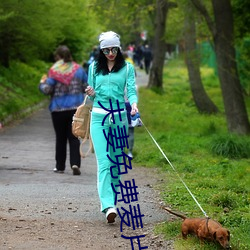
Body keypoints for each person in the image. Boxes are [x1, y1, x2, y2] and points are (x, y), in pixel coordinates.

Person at [85, 31, 138, 223]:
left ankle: (112, 202)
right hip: (99, 118)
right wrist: (90, 92)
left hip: (119, 118)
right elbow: (91, 97)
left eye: (114, 49)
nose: (110, 53)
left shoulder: (127, 68)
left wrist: (133, 104)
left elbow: (131, 90)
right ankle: (108, 205)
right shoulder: (93, 68)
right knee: (104, 162)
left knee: (116, 163)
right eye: (106, 50)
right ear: (101, 50)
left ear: (119, 48)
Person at [39, 45, 88, 175]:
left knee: (60, 138)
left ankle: (60, 166)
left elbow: (47, 90)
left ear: (58, 57)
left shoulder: (54, 71)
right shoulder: (79, 70)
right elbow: (86, 87)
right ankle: (75, 163)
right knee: (74, 137)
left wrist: (42, 83)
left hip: (58, 109)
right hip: (75, 109)